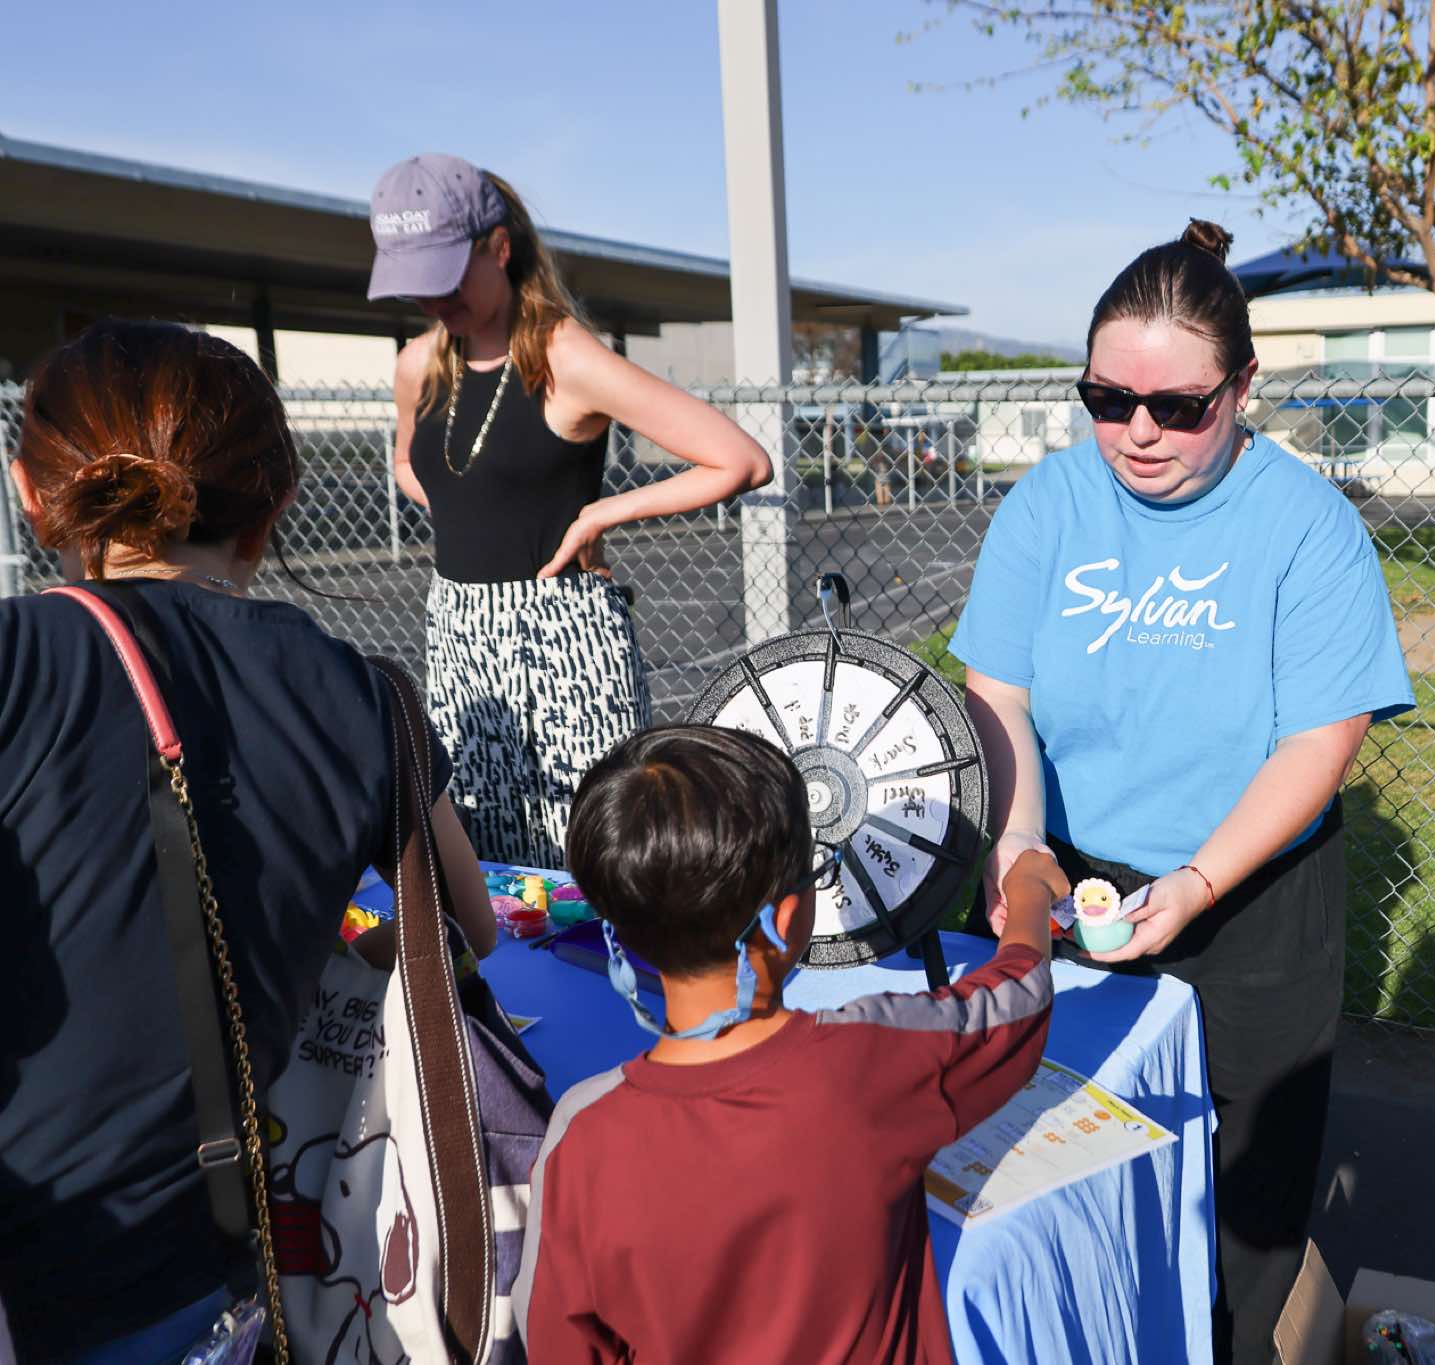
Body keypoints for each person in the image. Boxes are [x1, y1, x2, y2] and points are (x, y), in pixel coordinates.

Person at [947, 220, 1416, 1362]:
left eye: (1176, 406)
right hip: (1061, 881)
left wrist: (1198, 883)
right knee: (1040, 1161)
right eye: (1108, 401)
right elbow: (997, 694)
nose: (1139, 431)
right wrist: (1018, 842)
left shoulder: (1307, 526)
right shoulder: (1048, 504)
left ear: (1242, 390)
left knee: (1238, 1203)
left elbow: (1318, 741)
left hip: (1247, 895)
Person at [0, 320, 495, 1362]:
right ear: (273, 509)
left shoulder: (23, 663)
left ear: (31, 496)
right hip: (223, 1279)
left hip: (39, 1273)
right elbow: (467, 924)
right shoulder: (362, 694)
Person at [513, 726, 1059, 1364]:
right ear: (790, 916)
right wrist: (1028, 892)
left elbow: (555, 1340)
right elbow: (1017, 1000)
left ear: (621, 935)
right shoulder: (871, 1061)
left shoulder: (580, 1136)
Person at [368, 154, 774, 868]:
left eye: (447, 277)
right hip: (459, 634)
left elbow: (739, 460)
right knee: (483, 862)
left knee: (593, 857)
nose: (434, 300)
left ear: (498, 247)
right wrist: (472, 505)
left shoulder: (567, 357)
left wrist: (598, 516)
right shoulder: (418, 365)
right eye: (416, 282)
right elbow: (408, 464)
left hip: (564, 636)